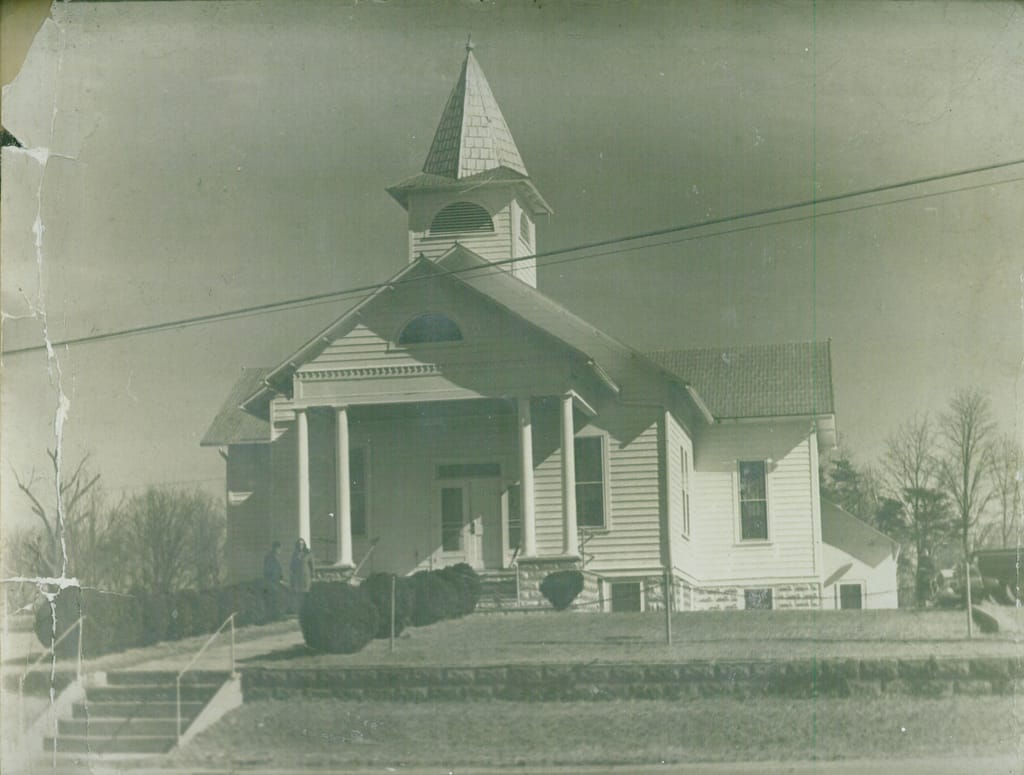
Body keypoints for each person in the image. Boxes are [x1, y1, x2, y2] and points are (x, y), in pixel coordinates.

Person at [290, 538, 314, 604]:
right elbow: (292, 566)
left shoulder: (308, 553)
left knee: (306, 593)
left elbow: (312, 566)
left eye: (302, 544)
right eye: (299, 544)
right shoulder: (295, 554)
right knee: (298, 593)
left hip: (306, 577)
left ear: (304, 544)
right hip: (298, 577)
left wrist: (312, 576)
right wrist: (292, 575)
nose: (301, 545)